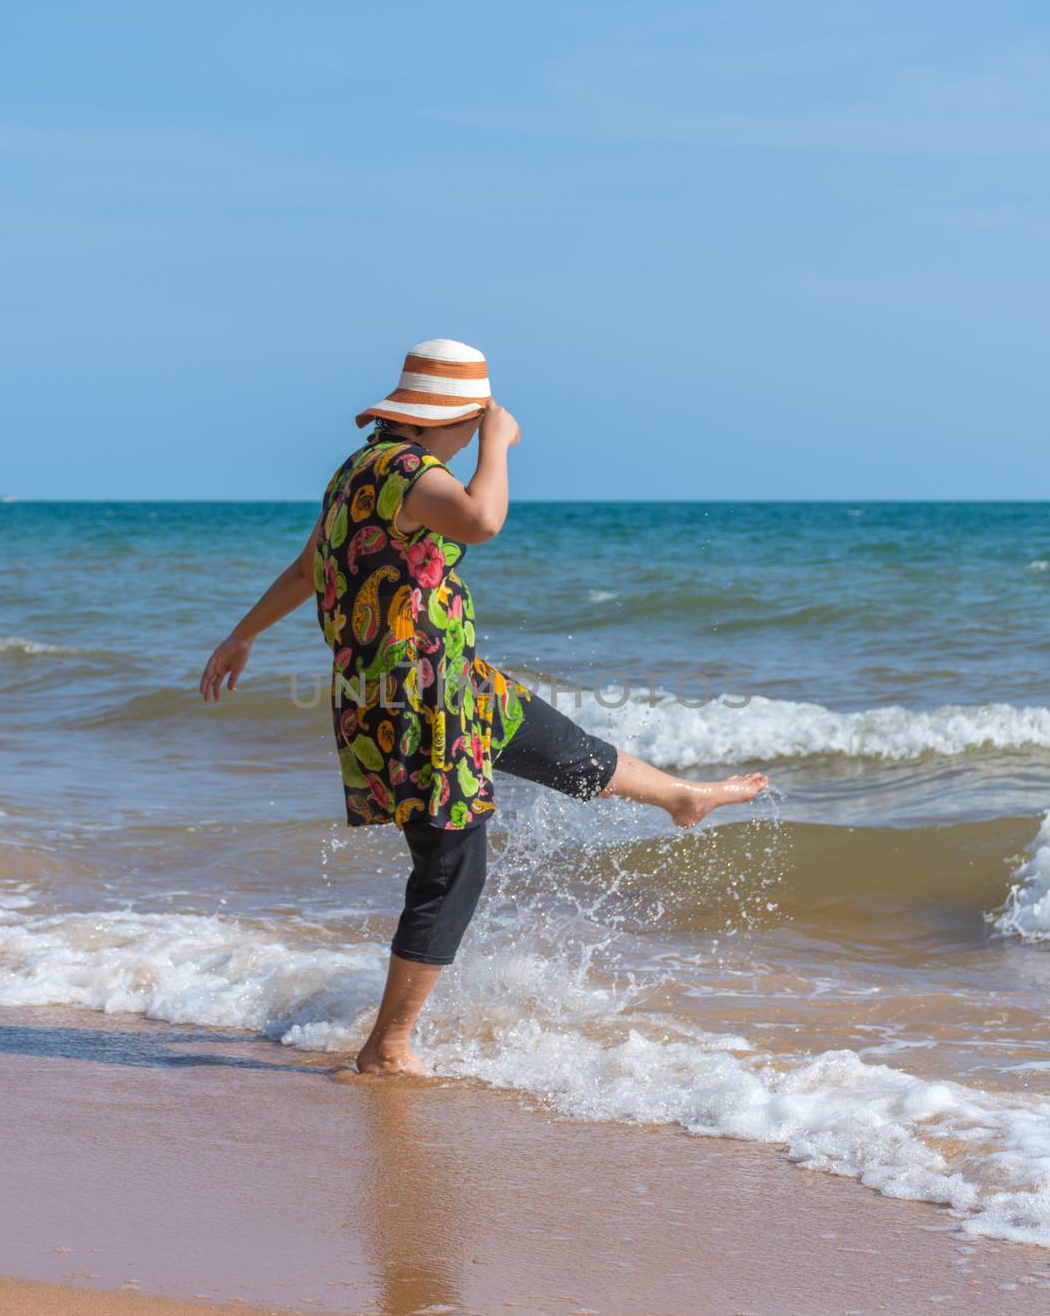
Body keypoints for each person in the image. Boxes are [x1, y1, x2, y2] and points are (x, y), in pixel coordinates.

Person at [200, 339, 767, 1076]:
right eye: (471, 420)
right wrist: (496, 446)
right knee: (450, 866)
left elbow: (314, 563)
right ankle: (388, 1046)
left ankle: (679, 798)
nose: (477, 430)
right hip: (420, 697)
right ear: (449, 418)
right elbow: (480, 521)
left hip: (449, 683)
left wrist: (243, 632)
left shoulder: (356, 470)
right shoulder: (411, 473)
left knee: (566, 752)